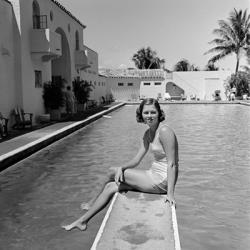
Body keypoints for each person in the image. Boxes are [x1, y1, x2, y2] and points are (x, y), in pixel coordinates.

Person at [62, 98, 179, 231]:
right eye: (146, 113)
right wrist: (122, 168)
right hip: (152, 174)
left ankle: (91, 202)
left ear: (159, 113)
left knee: (111, 172)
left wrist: (170, 194)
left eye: (153, 112)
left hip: (162, 180)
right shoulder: (148, 134)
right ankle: (82, 221)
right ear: (141, 114)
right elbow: (136, 160)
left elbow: (172, 164)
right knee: (111, 186)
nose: (149, 116)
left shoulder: (165, 131)